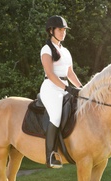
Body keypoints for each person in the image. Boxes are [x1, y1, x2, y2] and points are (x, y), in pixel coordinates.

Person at [40, 15, 83, 168]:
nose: (63, 32)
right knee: (56, 116)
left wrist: (81, 88)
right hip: (51, 88)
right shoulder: (46, 49)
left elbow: (70, 73)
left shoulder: (65, 51)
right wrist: (67, 88)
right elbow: (50, 74)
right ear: (51, 30)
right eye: (60, 29)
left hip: (65, 87)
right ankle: (50, 155)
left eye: (64, 30)